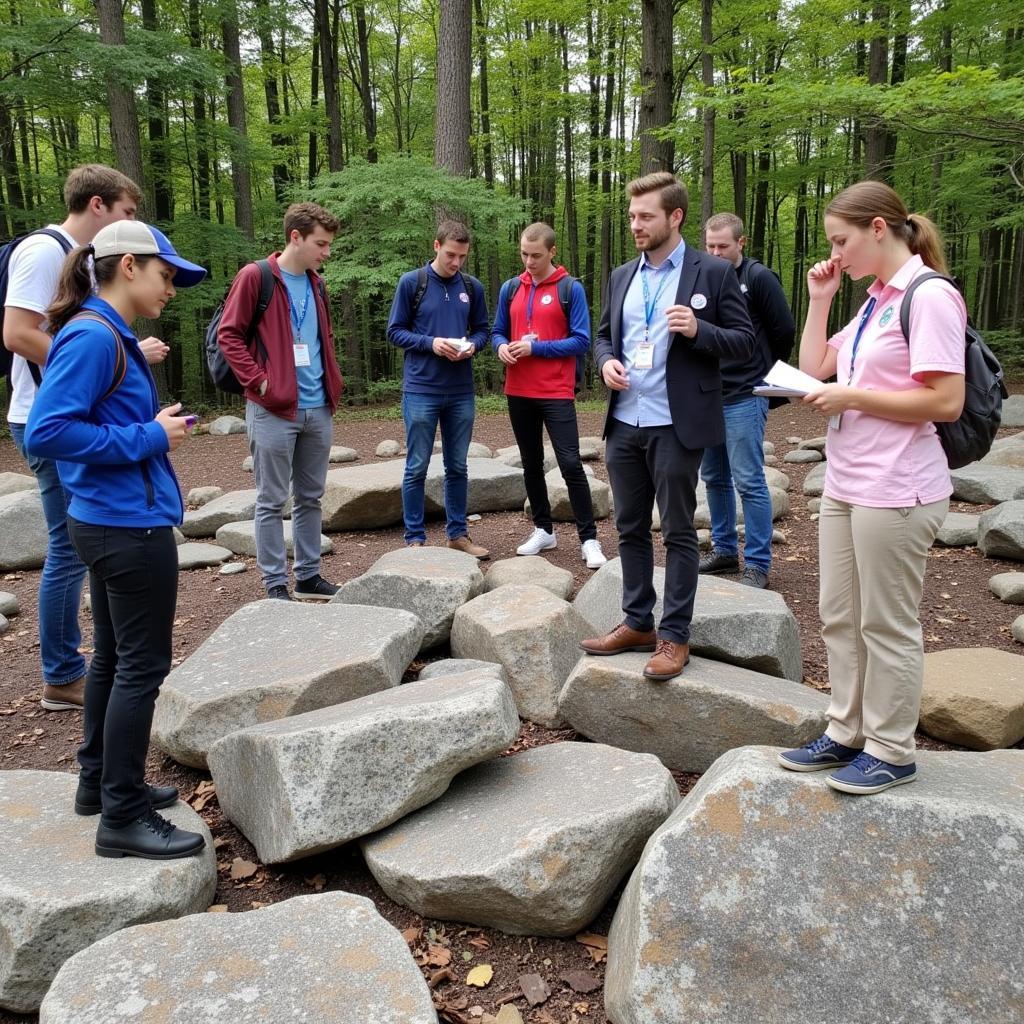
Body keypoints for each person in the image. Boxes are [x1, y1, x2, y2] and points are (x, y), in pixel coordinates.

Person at [24, 220, 208, 858]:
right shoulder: (94, 335)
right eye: (166, 276)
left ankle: (99, 783)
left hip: (110, 517)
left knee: (110, 658)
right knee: (141, 666)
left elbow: (87, 422)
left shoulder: (105, 333)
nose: (172, 290)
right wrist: (151, 437)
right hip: (125, 525)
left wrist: (150, 429)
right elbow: (44, 432)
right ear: (128, 266)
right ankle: (123, 817)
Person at [778, 180, 966, 795]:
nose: (835, 253)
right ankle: (845, 731)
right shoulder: (875, 300)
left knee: (885, 623)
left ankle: (891, 748)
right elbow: (812, 372)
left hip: (900, 486)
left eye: (842, 240)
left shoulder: (928, 296)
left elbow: (945, 400)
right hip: (848, 480)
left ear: (878, 229)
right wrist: (819, 300)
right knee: (838, 615)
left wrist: (852, 396)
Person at [2, 164, 168, 712]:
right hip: (42, 416)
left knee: (77, 553)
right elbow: (18, 333)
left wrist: (113, 361)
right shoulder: (45, 252)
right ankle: (61, 671)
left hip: (75, 413)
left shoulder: (92, 299)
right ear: (97, 205)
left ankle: (77, 676)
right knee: (68, 551)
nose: (129, 221)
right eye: (125, 212)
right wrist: (104, 363)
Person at [579, 172, 754, 681]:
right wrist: (605, 362)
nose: (635, 225)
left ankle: (675, 636)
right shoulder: (620, 275)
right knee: (629, 526)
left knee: (677, 531)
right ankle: (637, 621)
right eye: (632, 216)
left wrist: (700, 330)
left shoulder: (712, 273)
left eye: (645, 216)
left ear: (674, 217)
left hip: (676, 424)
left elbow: (745, 342)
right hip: (624, 420)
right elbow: (604, 337)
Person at [218, 202, 345, 601]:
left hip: (317, 406)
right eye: (320, 244)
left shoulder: (317, 284)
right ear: (296, 237)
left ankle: (308, 576)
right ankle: (275, 583)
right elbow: (229, 336)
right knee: (271, 499)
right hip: (272, 407)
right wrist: (258, 382)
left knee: (311, 497)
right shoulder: (256, 277)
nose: (326, 253)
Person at [492, 222, 606, 570]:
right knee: (530, 463)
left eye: (536, 255)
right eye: (524, 254)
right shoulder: (511, 288)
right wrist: (500, 348)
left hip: (556, 390)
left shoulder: (570, 289)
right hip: (518, 389)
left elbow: (582, 340)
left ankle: (589, 539)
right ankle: (544, 529)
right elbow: (497, 331)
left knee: (570, 463)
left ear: (552, 252)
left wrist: (534, 347)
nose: (529, 261)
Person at [700, 212, 796, 589]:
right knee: (713, 477)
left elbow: (784, 329)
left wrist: (763, 372)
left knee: (749, 481)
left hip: (746, 393)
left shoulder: (757, 278)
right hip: (708, 394)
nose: (715, 252)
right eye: (709, 246)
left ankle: (757, 563)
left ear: (741, 243)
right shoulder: (702, 277)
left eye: (723, 246)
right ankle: (724, 550)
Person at [387, 220, 491, 557]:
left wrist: (473, 345)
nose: (456, 262)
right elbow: (395, 331)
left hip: (460, 390)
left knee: (458, 466)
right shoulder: (412, 283)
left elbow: (483, 331)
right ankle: (414, 538)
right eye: (450, 255)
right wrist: (431, 343)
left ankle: (457, 534)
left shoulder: (472, 287)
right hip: (421, 389)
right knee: (416, 465)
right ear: (436, 246)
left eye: (462, 256)